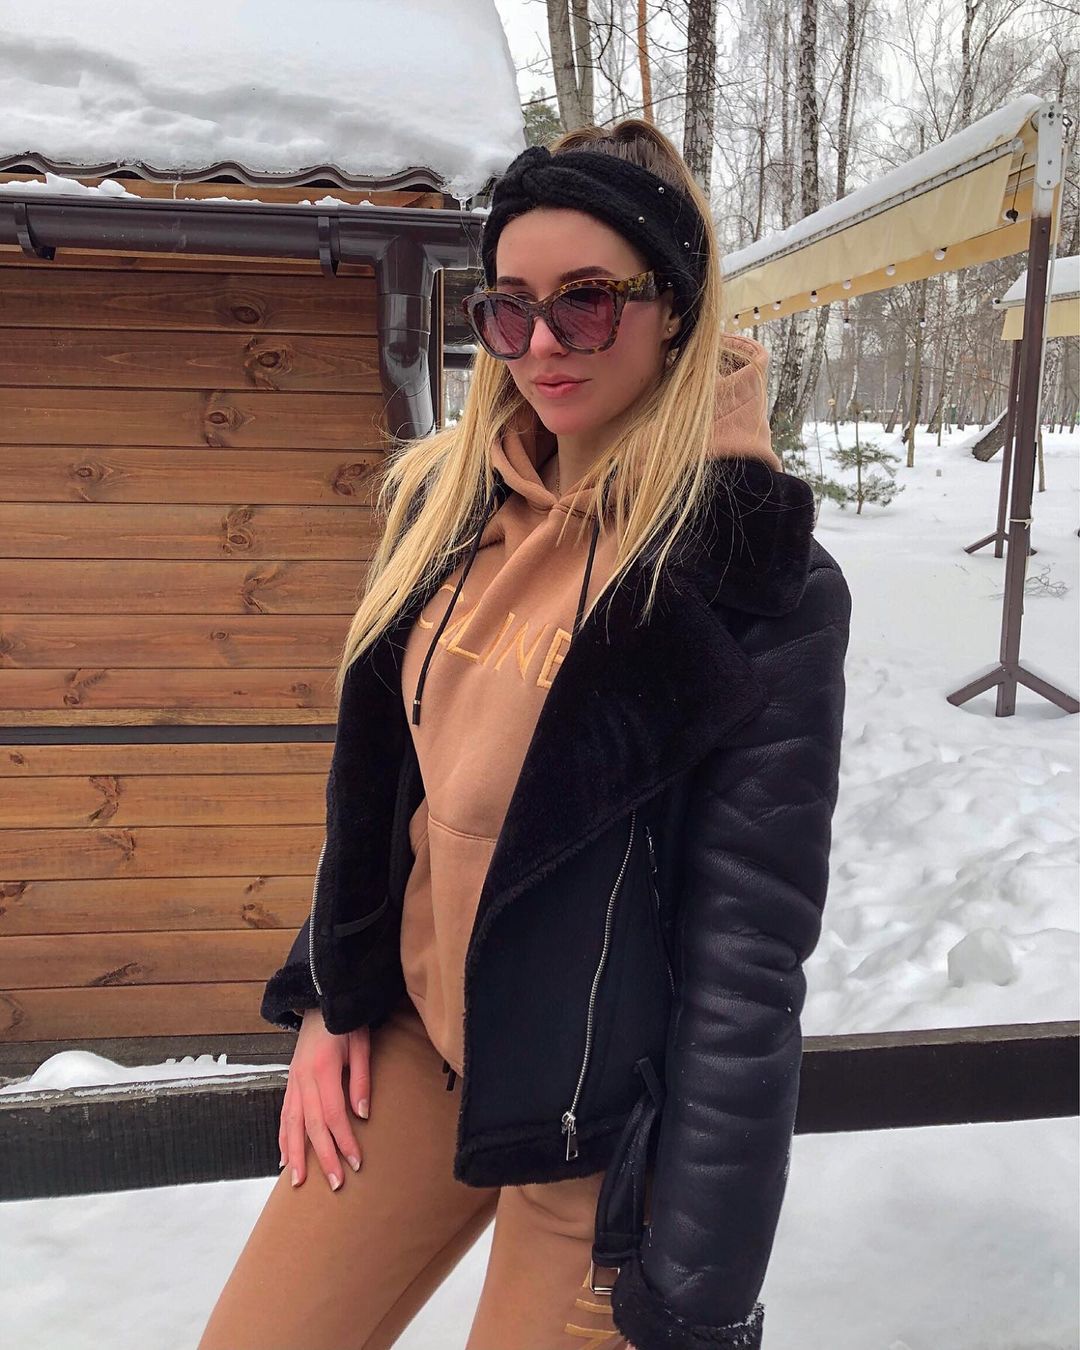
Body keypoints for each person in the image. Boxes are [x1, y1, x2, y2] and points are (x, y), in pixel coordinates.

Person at [198, 119, 851, 1350]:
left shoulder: (749, 580)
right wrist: (333, 994)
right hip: (419, 1051)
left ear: (673, 307)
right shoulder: (446, 511)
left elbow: (749, 958)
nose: (542, 344)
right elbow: (386, 794)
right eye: (509, 309)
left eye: (587, 303)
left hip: (600, 1128)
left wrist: (694, 1294)